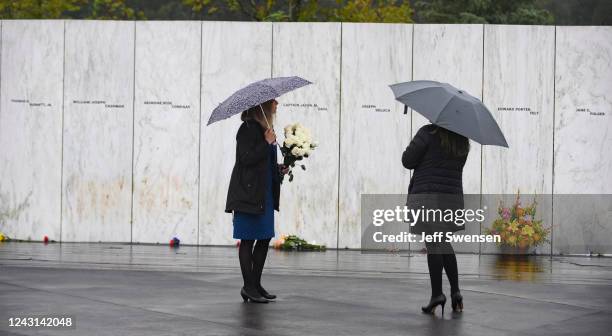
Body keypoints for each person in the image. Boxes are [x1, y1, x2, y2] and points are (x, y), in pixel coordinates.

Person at [402, 123, 470, 314]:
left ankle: (437, 295)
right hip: (450, 199)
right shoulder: (461, 140)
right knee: (443, 243)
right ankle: (456, 294)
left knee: (433, 244)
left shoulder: (427, 132)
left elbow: (407, 160)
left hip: (428, 196)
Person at [225, 99, 288, 303]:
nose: (277, 104)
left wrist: (279, 169)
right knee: (248, 240)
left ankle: (255, 284)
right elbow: (245, 159)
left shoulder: (265, 130)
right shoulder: (248, 129)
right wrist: (266, 143)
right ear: (262, 106)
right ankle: (248, 287)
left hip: (264, 194)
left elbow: (263, 164)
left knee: (264, 238)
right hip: (248, 194)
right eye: (273, 102)